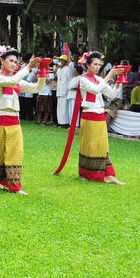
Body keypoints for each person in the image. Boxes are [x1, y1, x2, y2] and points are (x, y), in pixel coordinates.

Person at [0, 51, 42, 194]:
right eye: (11, 61)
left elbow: (37, 88)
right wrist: (28, 67)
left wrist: (42, 74)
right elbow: (11, 81)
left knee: (16, 152)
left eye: (15, 62)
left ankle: (15, 186)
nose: (14, 64)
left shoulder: (16, 80)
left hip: (13, 119)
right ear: (2, 61)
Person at [78, 52, 125, 185]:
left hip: (99, 113)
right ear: (88, 65)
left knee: (102, 145)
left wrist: (118, 82)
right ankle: (86, 173)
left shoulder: (99, 79)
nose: (97, 67)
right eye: (95, 64)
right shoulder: (83, 79)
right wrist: (109, 75)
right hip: (89, 113)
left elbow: (111, 93)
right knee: (89, 145)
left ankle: (108, 174)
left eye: (99, 64)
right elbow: (94, 90)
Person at [55, 54, 73, 127]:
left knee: (64, 107)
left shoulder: (68, 69)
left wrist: (67, 88)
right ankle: (60, 121)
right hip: (59, 90)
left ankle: (65, 122)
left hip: (65, 91)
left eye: (61, 60)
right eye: (59, 60)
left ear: (65, 62)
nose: (59, 61)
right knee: (59, 107)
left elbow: (70, 80)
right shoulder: (59, 70)